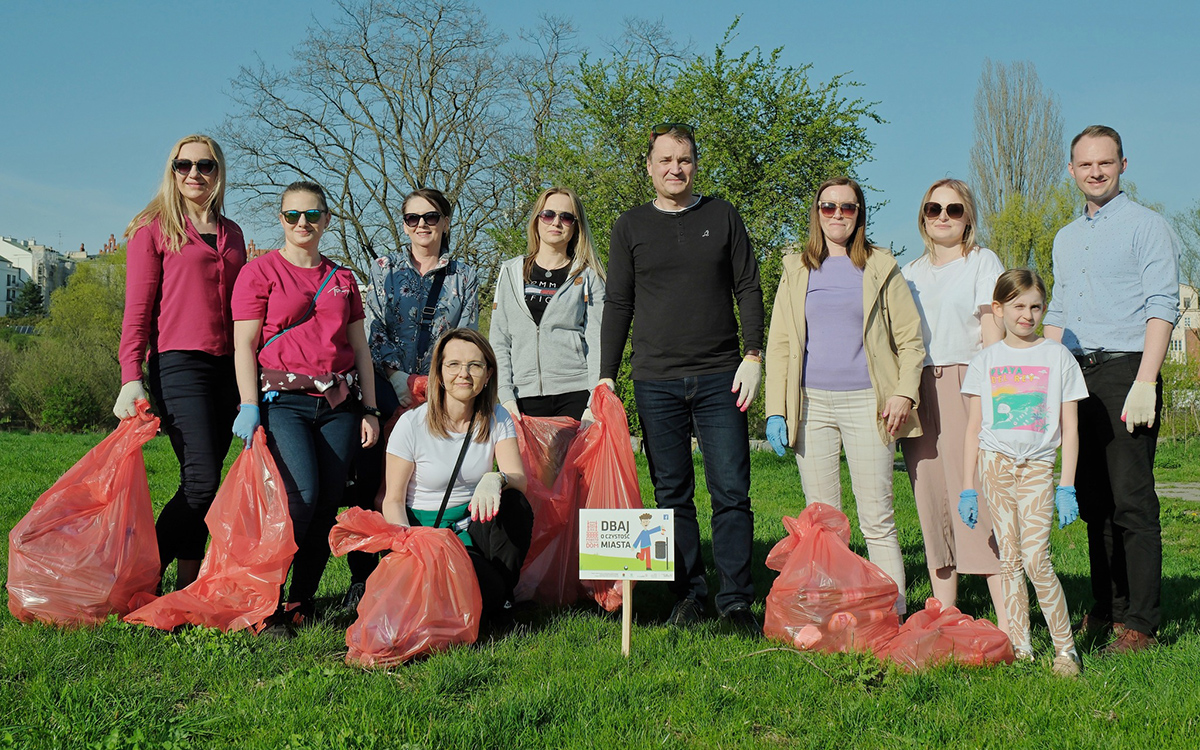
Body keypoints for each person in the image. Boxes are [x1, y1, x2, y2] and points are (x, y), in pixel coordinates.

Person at [601, 122, 764, 633]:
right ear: (648, 166)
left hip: (722, 377)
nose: (676, 168)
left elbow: (749, 288)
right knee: (672, 495)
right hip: (656, 380)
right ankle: (688, 595)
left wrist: (753, 356)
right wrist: (606, 376)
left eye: (685, 159)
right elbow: (619, 303)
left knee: (731, 492)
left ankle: (735, 601)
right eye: (666, 160)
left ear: (696, 165)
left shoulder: (722, 216)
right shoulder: (629, 227)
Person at [1043, 125, 1180, 655]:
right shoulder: (1064, 236)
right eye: (1085, 164)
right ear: (1072, 170)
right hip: (1077, 373)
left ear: (1123, 164)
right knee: (1092, 501)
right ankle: (1107, 608)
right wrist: (1041, 373)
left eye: (1105, 162)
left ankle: (1142, 622)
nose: (1095, 171)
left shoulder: (1148, 227)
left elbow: (1161, 305)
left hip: (1127, 370)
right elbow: (1057, 313)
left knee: (1132, 502)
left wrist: (1146, 380)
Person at [764, 177, 924, 616]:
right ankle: (837, 615)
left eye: (847, 208)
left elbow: (911, 342)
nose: (837, 215)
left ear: (860, 214)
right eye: (828, 207)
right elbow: (780, 345)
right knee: (822, 526)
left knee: (877, 520)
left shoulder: (881, 265)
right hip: (811, 407)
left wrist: (904, 393)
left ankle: (892, 613)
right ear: (816, 212)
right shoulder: (796, 267)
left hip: (868, 405)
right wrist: (776, 410)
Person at [231, 180, 381, 635]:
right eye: (293, 215)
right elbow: (244, 344)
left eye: (312, 215)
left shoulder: (342, 279)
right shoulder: (260, 272)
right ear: (281, 219)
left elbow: (360, 348)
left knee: (328, 504)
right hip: (283, 403)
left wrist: (370, 410)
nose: (302, 223)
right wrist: (249, 404)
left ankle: (301, 600)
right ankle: (268, 603)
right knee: (301, 500)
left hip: (338, 404)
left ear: (326, 221)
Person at [114, 134, 246, 591]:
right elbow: (137, 311)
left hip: (228, 370)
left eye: (205, 165)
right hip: (178, 365)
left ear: (218, 171)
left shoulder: (234, 234)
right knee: (202, 480)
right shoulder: (153, 229)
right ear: (171, 171)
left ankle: (189, 586)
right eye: (183, 165)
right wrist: (131, 375)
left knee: (202, 482)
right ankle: (135, 577)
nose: (194, 173)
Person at [346, 188, 480, 608]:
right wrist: (398, 376)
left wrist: (435, 383)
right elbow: (373, 328)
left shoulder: (465, 274)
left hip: (439, 395)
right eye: (412, 218)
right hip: (386, 388)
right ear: (403, 223)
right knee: (374, 483)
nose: (422, 225)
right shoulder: (384, 268)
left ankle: (430, 566)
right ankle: (365, 577)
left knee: (426, 483)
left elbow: (466, 336)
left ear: (445, 221)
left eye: (431, 216)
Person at [959, 268, 1088, 677]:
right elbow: (974, 429)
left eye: (1035, 306)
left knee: (1037, 560)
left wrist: (1066, 485)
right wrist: (968, 487)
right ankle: (1020, 646)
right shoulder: (986, 361)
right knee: (1010, 560)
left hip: (1037, 468)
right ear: (998, 309)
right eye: (1018, 306)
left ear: (1044, 309)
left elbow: (1071, 427)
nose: (1027, 314)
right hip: (995, 467)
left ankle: (1065, 650)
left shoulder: (1057, 356)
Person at [899, 178, 1007, 628]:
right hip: (919, 384)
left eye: (954, 209)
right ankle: (945, 613)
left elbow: (992, 329)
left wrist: (988, 391)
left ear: (968, 218)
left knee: (976, 496)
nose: (943, 216)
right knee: (930, 497)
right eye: (933, 208)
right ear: (922, 216)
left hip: (967, 381)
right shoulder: (908, 272)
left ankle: (1009, 623)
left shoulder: (983, 263)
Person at [380, 328, 533, 624]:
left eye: (475, 365)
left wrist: (496, 478)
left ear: (488, 374)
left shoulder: (497, 417)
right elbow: (393, 500)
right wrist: (407, 549)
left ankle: (496, 598)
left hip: (472, 529)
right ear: (439, 373)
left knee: (515, 503)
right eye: (454, 365)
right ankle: (493, 604)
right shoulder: (411, 424)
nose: (464, 373)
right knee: (471, 590)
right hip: (425, 535)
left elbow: (519, 479)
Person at [490, 187, 606, 421]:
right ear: (537, 220)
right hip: (522, 397)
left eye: (566, 217)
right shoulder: (510, 272)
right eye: (548, 215)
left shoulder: (588, 276)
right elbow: (499, 339)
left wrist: (594, 400)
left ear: (576, 226)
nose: (556, 222)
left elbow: (598, 341)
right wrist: (505, 394)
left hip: (575, 395)